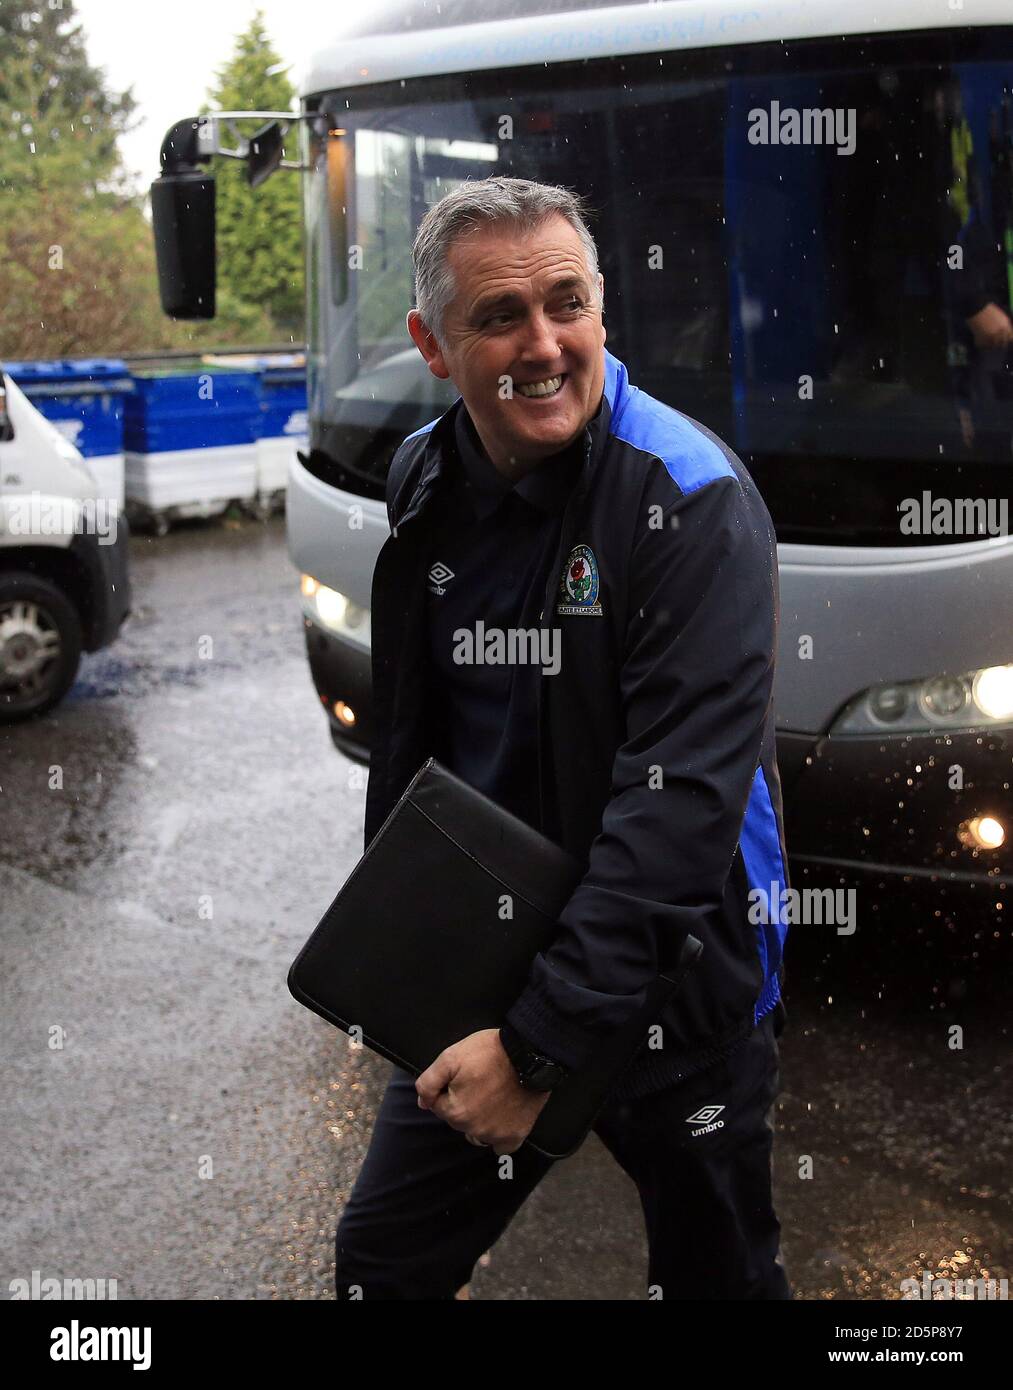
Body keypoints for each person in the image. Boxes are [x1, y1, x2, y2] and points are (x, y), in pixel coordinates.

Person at [335, 176, 792, 1300]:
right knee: (380, 1262)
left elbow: (675, 808)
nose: (543, 345)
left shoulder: (686, 497)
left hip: (671, 981)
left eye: (567, 303)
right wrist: (399, 932)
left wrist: (538, 1049)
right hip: (481, 959)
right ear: (433, 346)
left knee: (718, 1279)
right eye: (498, 316)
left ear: (600, 311)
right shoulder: (425, 474)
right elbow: (417, 728)